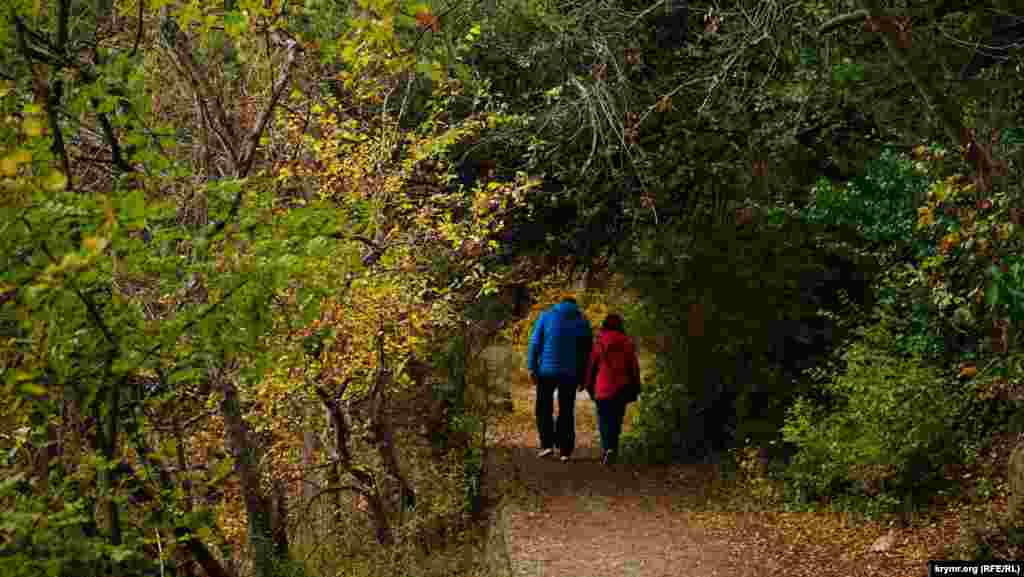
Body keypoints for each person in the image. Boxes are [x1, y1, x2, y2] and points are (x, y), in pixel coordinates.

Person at [527, 297, 593, 462]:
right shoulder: (582, 320)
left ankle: (547, 445)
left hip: (546, 371)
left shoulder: (546, 316)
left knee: (543, 407)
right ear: (575, 306)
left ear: (559, 304)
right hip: (570, 373)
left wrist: (532, 367)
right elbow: (587, 352)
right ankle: (565, 450)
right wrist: (584, 376)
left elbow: (535, 344)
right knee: (566, 410)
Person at [583, 313, 640, 466]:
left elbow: (591, 367)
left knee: (603, 419)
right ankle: (613, 448)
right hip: (621, 387)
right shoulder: (626, 342)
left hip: (602, 388)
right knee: (616, 419)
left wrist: (588, 385)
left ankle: (607, 448)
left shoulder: (599, 342)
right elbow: (633, 367)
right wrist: (636, 385)